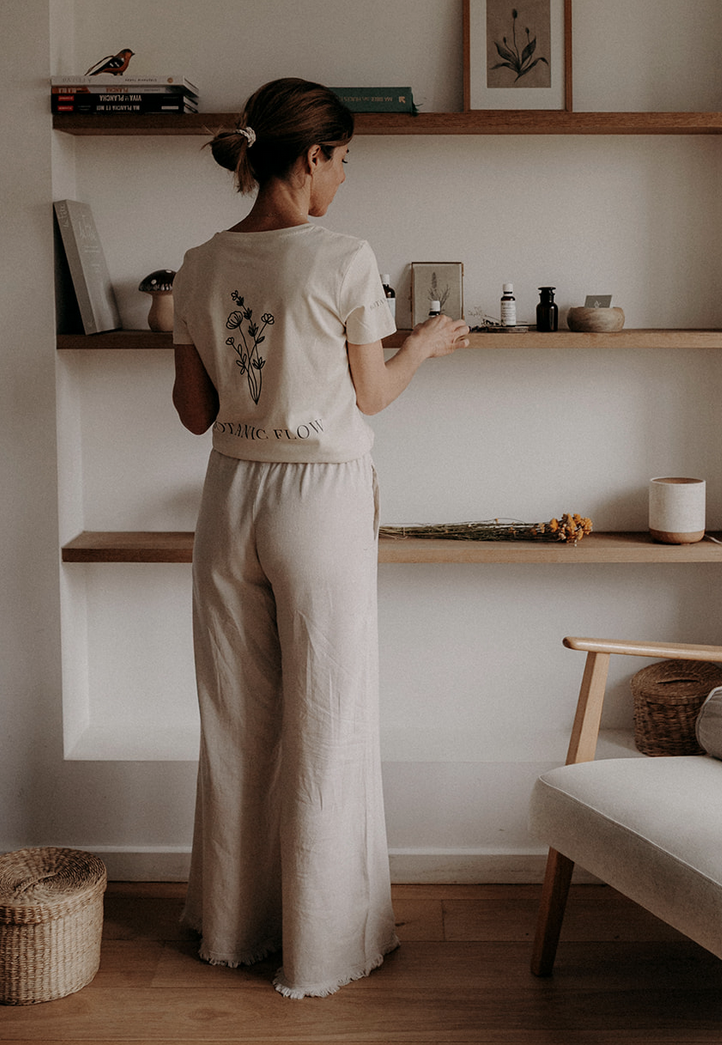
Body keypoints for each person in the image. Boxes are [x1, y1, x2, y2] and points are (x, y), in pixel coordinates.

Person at [171, 76, 469, 998]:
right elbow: (372, 394)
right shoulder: (343, 257)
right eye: (342, 161)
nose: (342, 179)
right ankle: (323, 947)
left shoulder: (198, 262)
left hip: (228, 495)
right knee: (328, 718)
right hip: (319, 497)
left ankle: (233, 929)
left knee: (237, 721)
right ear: (312, 158)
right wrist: (422, 344)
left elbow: (192, 412)